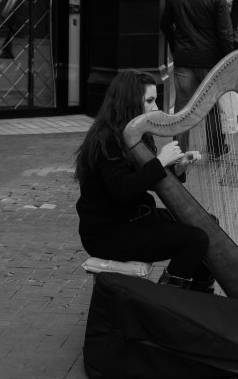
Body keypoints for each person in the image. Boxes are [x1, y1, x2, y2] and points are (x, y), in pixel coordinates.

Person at [74, 70, 214, 291]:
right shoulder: (106, 140)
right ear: (130, 103)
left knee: (208, 223)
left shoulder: (138, 134)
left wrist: (176, 168)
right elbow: (121, 190)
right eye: (149, 101)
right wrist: (159, 162)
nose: (156, 108)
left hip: (135, 218)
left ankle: (201, 298)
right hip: (109, 232)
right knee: (195, 239)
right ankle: (168, 302)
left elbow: (145, 179)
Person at [160, 0, 233, 158]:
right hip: (210, 60)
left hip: (184, 59)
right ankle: (217, 147)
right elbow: (225, 33)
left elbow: (165, 24)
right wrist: (227, 60)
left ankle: (178, 151)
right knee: (211, 106)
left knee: (182, 108)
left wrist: (177, 46)